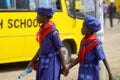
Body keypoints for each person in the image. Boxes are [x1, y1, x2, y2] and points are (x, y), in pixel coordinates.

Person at [62, 16, 115, 80]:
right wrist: (68, 67)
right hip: (82, 71)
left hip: (92, 72)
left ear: (89, 30)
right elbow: (79, 58)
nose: (81, 28)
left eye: (83, 26)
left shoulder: (96, 42)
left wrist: (110, 73)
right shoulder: (83, 41)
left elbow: (103, 58)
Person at [27, 7, 68, 80]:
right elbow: (42, 48)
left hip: (51, 63)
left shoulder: (53, 31)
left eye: (38, 15)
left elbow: (60, 49)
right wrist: (32, 61)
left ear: (44, 17)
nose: (36, 17)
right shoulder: (42, 30)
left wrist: (64, 66)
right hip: (42, 62)